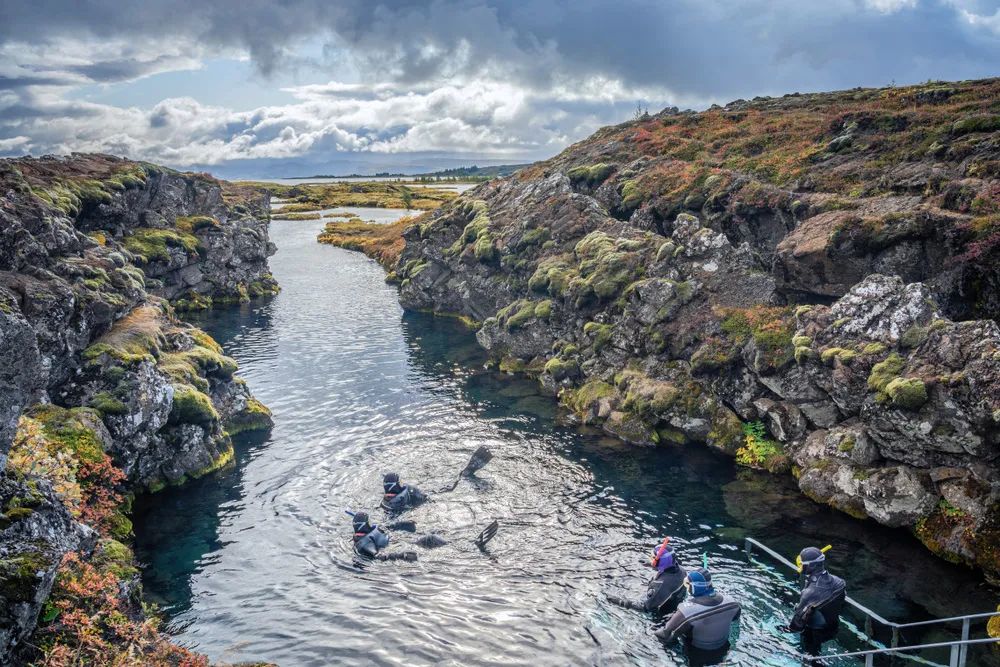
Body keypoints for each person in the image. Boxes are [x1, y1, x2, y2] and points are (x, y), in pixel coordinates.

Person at [655, 568, 741, 658]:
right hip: (724, 651)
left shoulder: (686, 612)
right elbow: (735, 628)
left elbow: (665, 635)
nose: (686, 587)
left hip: (697, 656)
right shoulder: (733, 604)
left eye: (687, 584)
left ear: (695, 587)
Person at [781, 546, 846, 649]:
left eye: (802, 563)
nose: (800, 565)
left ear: (811, 566)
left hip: (813, 633)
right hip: (833, 627)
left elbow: (797, 623)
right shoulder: (839, 582)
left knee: (810, 657)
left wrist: (785, 630)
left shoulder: (809, 593)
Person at [608, 538, 687, 613]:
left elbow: (646, 608)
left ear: (661, 561)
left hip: (662, 618)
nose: (651, 559)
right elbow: (667, 565)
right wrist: (651, 564)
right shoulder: (682, 571)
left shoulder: (659, 585)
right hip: (676, 605)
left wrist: (620, 602)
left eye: (653, 558)